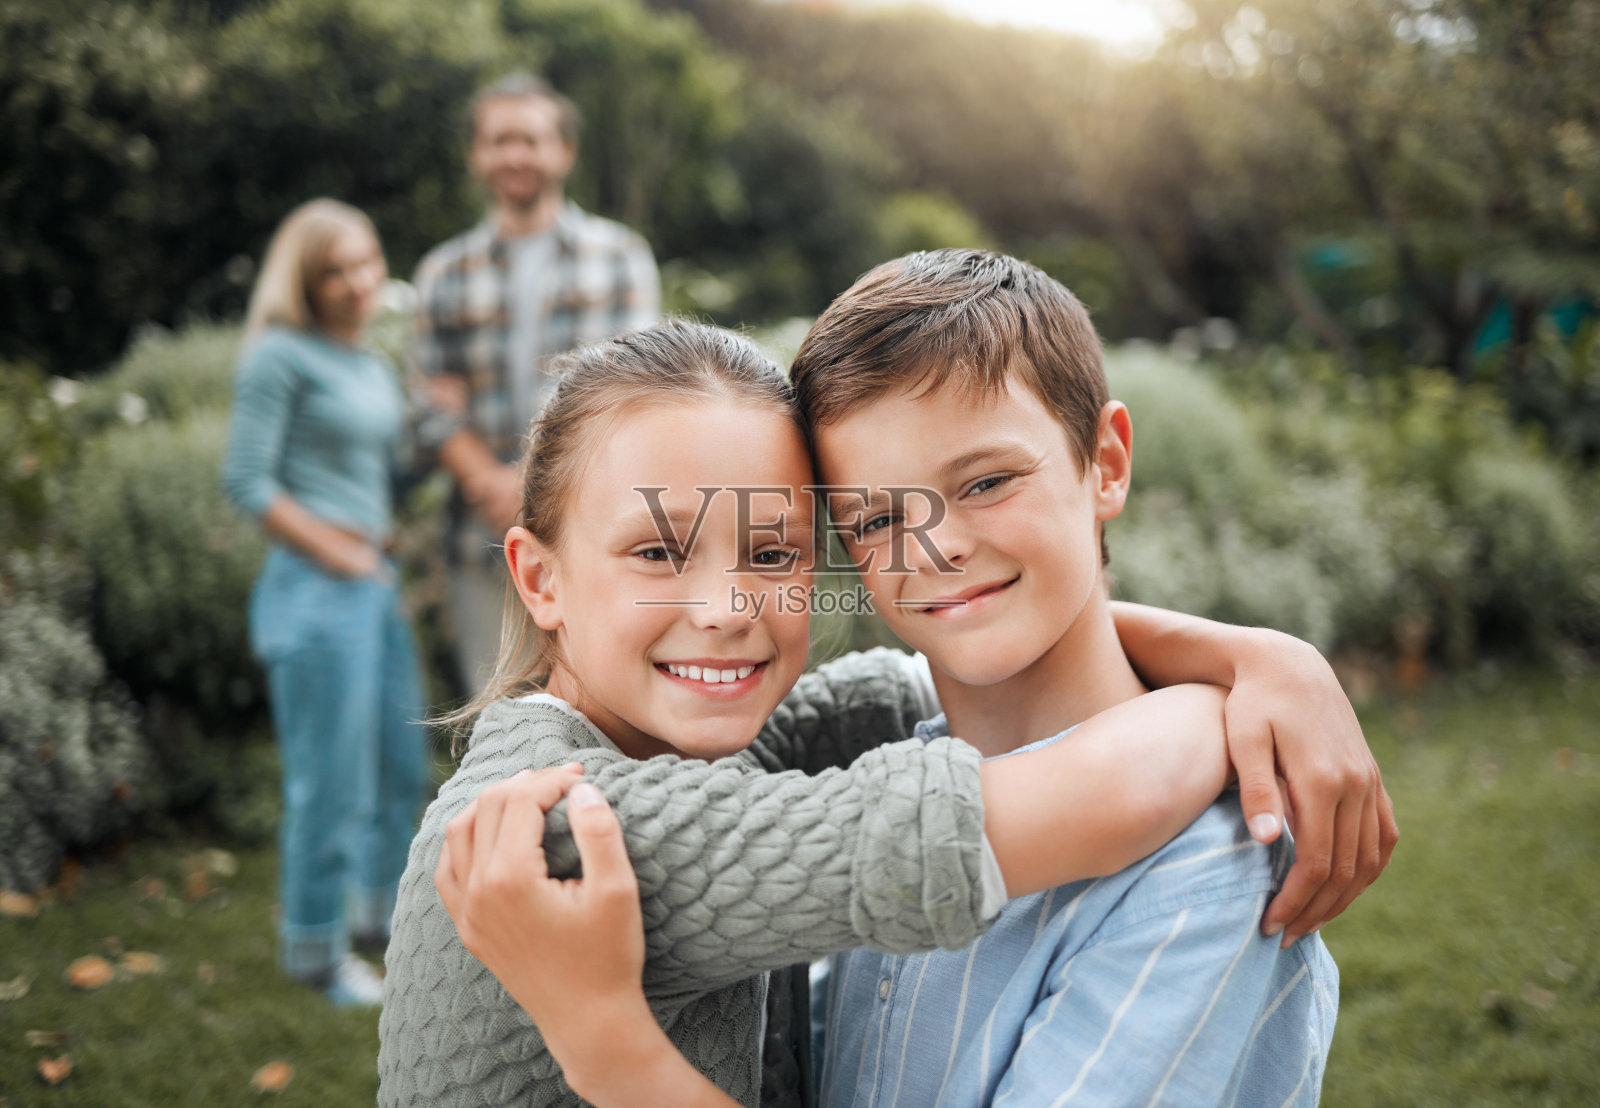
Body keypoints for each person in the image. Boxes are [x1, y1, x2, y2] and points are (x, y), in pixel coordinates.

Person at [382, 319, 1392, 1107]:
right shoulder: (577, 825)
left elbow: (963, 659)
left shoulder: (695, 744)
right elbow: (1127, 781)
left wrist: (1264, 656)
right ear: (541, 578)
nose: (730, 611)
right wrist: (1246, 691)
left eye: (772, 554)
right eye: (657, 552)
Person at [222, 199, 430, 1007]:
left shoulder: (368, 362)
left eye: (366, 263)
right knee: (329, 782)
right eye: (334, 271)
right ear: (304, 282)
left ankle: (376, 920)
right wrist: (340, 546)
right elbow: (247, 480)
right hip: (313, 596)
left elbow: (377, 476)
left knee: (398, 764)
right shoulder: (279, 357)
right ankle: (315, 952)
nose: (356, 283)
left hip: (371, 594)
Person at [410, 72, 661, 693]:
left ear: (563, 151)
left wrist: (526, 479)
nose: (514, 154)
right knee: (496, 709)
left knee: (599, 705)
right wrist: (489, 481)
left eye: (530, 139)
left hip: (589, 536)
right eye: (498, 141)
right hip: (479, 540)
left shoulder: (619, 257)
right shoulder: (444, 271)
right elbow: (426, 403)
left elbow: (632, 391)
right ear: (477, 154)